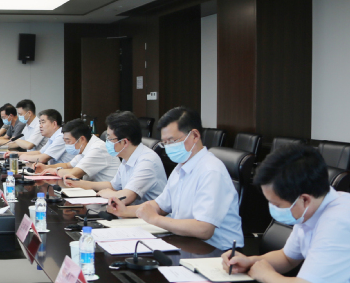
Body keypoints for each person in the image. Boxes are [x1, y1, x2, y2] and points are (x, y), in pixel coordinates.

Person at [223, 145, 350, 283]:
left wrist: (265, 274)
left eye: (277, 204)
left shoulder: (340, 222)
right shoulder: (312, 208)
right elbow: (287, 258)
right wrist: (251, 261)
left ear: (304, 199)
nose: (273, 209)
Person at [106, 107, 243, 250]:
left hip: (217, 252)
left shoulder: (211, 171)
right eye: (165, 143)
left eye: (172, 141)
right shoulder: (180, 167)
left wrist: (156, 219)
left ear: (195, 135)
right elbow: (160, 205)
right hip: (187, 242)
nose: (168, 147)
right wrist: (124, 211)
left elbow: (204, 229)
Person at [65, 112, 165, 205]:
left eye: (109, 138)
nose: (107, 142)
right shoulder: (127, 157)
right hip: (131, 212)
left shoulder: (147, 161)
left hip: (148, 216)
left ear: (124, 142)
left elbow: (125, 197)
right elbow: (113, 186)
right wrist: (79, 183)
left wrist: (110, 194)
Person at [37, 118, 122, 189]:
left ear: (82, 139)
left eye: (68, 141)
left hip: (107, 194)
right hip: (93, 191)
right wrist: (46, 167)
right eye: (65, 141)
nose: (66, 144)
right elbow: (68, 165)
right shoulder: (85, 146)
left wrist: (55, 171)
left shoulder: (98, 148)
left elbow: (74, 173)